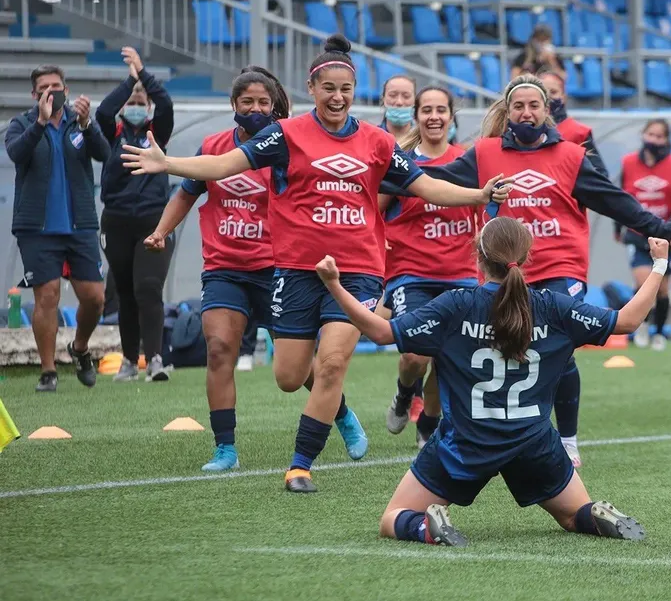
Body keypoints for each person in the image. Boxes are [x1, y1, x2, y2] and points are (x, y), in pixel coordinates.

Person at [122, 35, 512, 492]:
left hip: (358, 271)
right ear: (313, 89)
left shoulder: (377, 142)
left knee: (331, 364)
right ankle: (338, 420)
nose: (338, 97)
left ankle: (301, 465)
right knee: (289, 376)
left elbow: (425, 186)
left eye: (346, 89)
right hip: (296, 272)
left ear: (354, 90)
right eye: (329, 88)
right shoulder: (285, 135)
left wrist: (479, 195)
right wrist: (167, 164)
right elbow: (224, 164)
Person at [315, 217, 671, 546]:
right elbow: (628, 321)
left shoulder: (456, 305)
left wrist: (333, 284)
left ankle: (427, 526)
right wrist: (659, 264)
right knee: (572, 516)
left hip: (465, 442)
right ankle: (593, 512)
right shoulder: (553, 306)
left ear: (478, 256)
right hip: (533, 442)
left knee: (392, 519)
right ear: (528, 257)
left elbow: (380, 332)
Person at [398, 74, 671, 467]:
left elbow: (615, 202)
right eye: (518, 106)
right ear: (508, 113)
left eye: (534, 105)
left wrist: (661, 229)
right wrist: (384, 172)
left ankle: (569, 440)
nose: (526, 112)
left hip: (561, 266)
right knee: (480, 350)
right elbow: (436, 180)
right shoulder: (485, 153)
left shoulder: (572, 156)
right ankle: (466, 429)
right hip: (506, 270)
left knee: (560, 349)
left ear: (547, 111)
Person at [142, 65, 289, 471]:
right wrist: (161, 231)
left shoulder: (288, 147)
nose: (256, 109)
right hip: (225, 268)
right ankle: (225, 448)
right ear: (234, 106)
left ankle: (341, 413)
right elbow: (187, 194)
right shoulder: (213, 145)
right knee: (220, 348)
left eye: (263, 102)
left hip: (277, 269)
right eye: (248, 102)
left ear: (275, 106)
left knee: (295, 368)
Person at [382, 86, 478, 448]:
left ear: (452, 117)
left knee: (448, 359)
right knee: (414, 354)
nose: (434, 117)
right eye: (427, 110)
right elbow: (371, 210)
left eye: (441, 110)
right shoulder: (401, 162)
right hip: (412, 274)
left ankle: (429, 426)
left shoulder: (468, 162)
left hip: (462, 274)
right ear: (417, 116)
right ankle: (405, 394)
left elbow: (485, 216)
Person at [6, 65, 110, 392]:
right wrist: (39, 122)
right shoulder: (22, 123)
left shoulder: (78, 122)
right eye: (44, 87)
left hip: (79, 225)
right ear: (34, 94)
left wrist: (88, 125)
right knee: (46, 296)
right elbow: (16, 153)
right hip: (37, 227)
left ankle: (79, 348)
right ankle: (48, 371)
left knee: (94, 298)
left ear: (66, 87)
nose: (51, 91)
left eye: (56, 85)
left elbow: (105, 154)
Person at [95, 46, 175, 383]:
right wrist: (130, 83)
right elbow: (103, 110)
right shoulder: (110, 135)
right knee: (125, 291)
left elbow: (166, 104)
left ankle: (155, 359)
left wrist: (143, 75)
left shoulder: (158, 133)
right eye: (132, 102)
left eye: (142, 102)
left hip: (153, 219)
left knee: (148, 287)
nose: (137, 107)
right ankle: (129, 360)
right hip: (116, 221)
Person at [614, 119, 671, 351]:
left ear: (666, 140)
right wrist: (618, 227)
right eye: (650, 134)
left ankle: (658, 332)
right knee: (644, 281)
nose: (654, 140)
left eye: (659, 136)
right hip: (637, 233)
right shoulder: (628, 162)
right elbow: (619, 198)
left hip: (665, 235)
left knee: (663, 288)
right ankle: (642, 325)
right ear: (643, 135)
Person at [539, 70, 608, 177]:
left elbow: (600, 175)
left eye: (553, 92)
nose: (548, 97)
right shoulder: (525, 130)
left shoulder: (579, 132)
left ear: (564, 96)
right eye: (543, 93)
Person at [379, 75, 417, 144]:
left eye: (406, 96)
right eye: (393, 95)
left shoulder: (424, 140)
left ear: (415, 100)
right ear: (383, 99)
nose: (399, 102)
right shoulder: (371, 138)